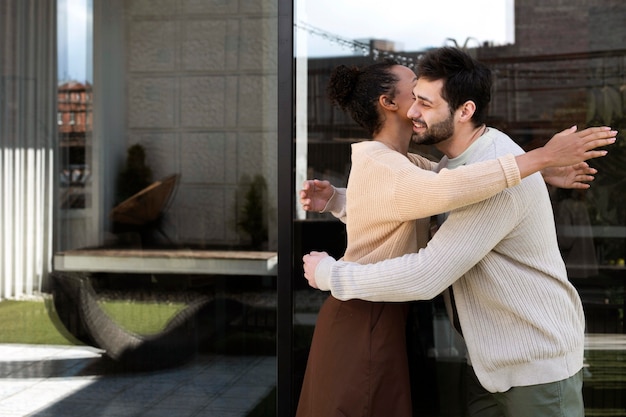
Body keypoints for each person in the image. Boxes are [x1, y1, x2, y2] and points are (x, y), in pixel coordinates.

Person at [302, 47, 617, 417]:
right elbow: (409, 197)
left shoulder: (489, 175)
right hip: (489, 364)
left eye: (425, 102)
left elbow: (426, 273)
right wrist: (340, 200)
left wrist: (331, 274)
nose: (414, 112)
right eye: (413, 98)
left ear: (464, 111)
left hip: (533, 364)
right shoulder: (455, 167)